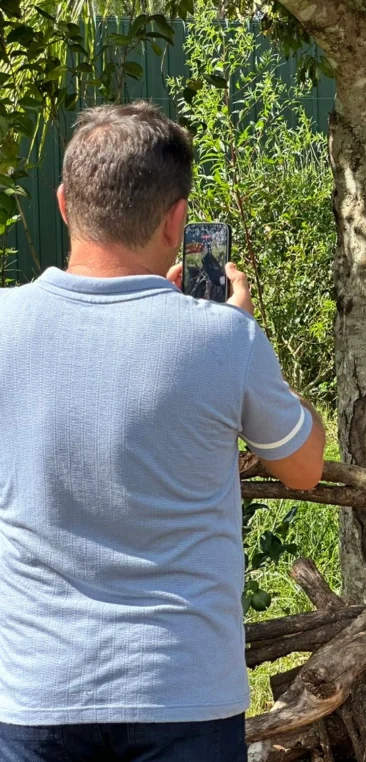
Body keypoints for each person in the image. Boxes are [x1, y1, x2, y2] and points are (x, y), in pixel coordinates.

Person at [0, 101, 326, 761]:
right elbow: (304, 466)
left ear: (64, 204)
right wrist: (240, 330)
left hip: (36, 691)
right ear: (177, 221)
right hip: (184, 689)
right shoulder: (224, 339)